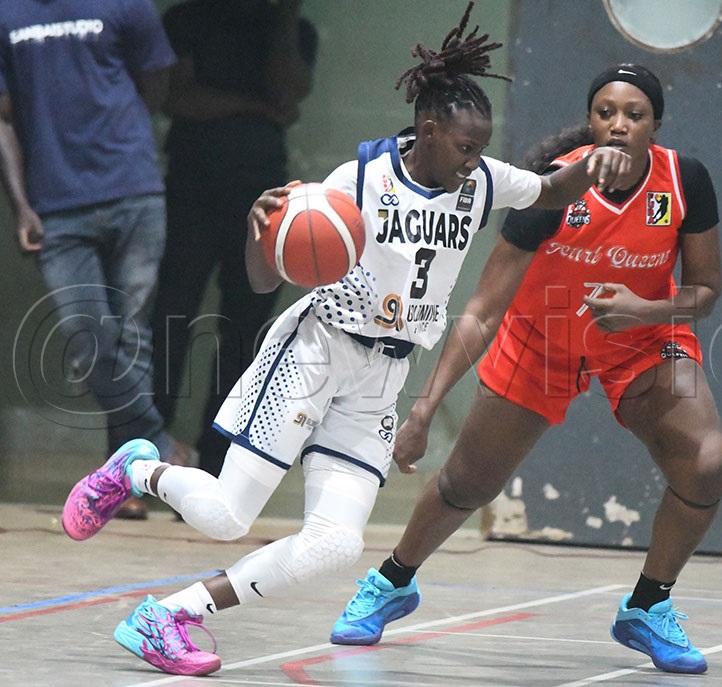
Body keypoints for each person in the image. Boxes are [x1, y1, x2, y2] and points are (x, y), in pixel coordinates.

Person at [59, 3, 633, 677]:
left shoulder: (477, 181)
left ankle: (170, 614)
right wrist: (259, 228)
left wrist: (597, 162)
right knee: (224, 515)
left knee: (335, 545)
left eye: (481, 148)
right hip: (315, 350)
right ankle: (137, 468)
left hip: (381, 377)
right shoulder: (356, 183)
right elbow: (260, 276)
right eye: (465, 146)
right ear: (427, 130)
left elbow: (545, 189)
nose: (476, 162)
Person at [330, 64, 722, 676]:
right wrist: (424, 409)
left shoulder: (684, 180)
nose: (619, 124)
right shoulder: (550, 189)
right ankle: (391, 583)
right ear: (591, 121)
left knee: (705, 463)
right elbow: (483, 311)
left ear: (656, 124)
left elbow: (704, 290)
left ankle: (648, 607)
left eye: (635, 114)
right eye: (606, 112)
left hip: (645, 338)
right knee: (466, 484)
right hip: (542, 338)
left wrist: (644, 308)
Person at [0, 0, 183, 520]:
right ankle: (162, 451)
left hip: (134, 188)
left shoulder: (125, 4)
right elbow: (2, 118)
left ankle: (124, 480)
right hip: (55, 206)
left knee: (132, 338)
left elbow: (157, 85)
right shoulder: (5, 13)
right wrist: (21, 206)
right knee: (89, 343)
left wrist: (117, 135)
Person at [152, 0, 318, 477]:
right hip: (190, 190)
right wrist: (252, 106)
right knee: (169, 319)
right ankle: (147, 450)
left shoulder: (293, 29)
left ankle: (214, 461)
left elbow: (287, 101)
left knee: (246, 331)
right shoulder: (186, 19)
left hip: (262, 196)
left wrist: (286, 20)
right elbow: (177, 101)